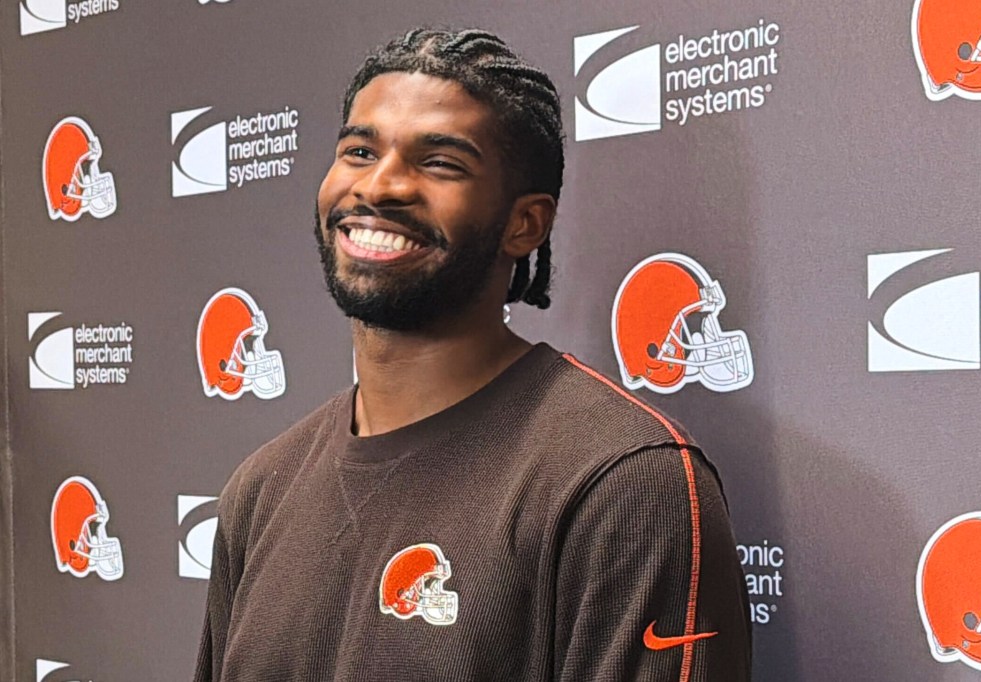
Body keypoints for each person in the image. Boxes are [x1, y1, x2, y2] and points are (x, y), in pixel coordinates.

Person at [193, 27, 751, 682]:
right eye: (359, 150)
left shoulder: (621, 481)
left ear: (526, 224)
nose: (381, 185)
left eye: (440, 163)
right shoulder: (260, 489)